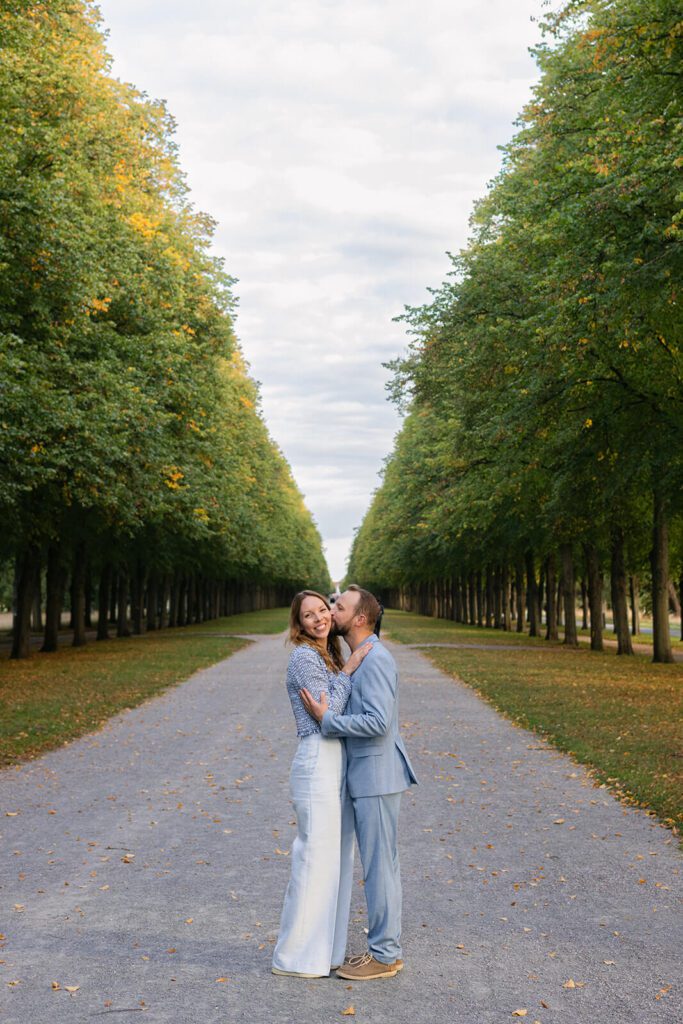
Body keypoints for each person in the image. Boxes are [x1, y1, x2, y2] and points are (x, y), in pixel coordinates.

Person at [301, 585, 418, 981]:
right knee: (380, 865)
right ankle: (384, 951)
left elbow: (378, 722)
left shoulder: (377, 659)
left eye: (339, 606)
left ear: (361, 618)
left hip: (377, 776)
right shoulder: (358, 658)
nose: (332, 612)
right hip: (368, 776)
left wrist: (326, 719)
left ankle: (385, 956)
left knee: (380, 867)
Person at [272, 590, 371, 979]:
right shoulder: (303, 656)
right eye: (308, 615)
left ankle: (325, 952)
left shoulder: (325, 653)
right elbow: (325, 712)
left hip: (333, 759)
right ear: (299, 624)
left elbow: (332, 708)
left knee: (336, 860)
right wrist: (348, 673)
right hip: (316, 759)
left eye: (322, 610)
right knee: (314, 859)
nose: (319, 619)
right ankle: (295, 958)